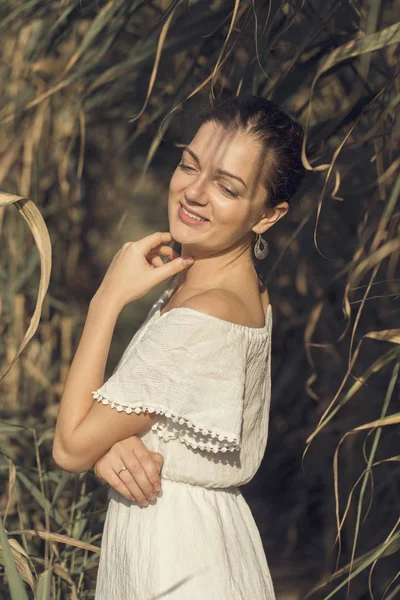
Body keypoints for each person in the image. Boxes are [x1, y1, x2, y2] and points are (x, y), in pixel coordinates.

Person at [52, 95, 305, 599]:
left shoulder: (205, 313)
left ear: (269, 216)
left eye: (228, 187)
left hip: (176, 554)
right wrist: (115, 441)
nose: (194, 192)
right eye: (189, 165)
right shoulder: (228, 287)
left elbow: (69, 447)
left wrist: (107, 300)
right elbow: (160, 420)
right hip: (197, 536)